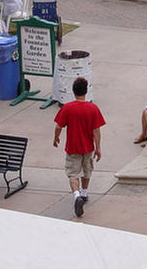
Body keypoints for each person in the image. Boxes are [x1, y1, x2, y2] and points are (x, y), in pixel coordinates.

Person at [53, 77, 105, 218]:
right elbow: (96, 130)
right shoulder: (93, 108)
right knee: (87, 170)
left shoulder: (67, 108)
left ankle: (76, 195)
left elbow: (58, 126)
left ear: (73, 92)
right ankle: (84, 193)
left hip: (72, 147)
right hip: (88, 147)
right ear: (86, 91)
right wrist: (98, 147)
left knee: (73, 173)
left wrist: (56, 137)